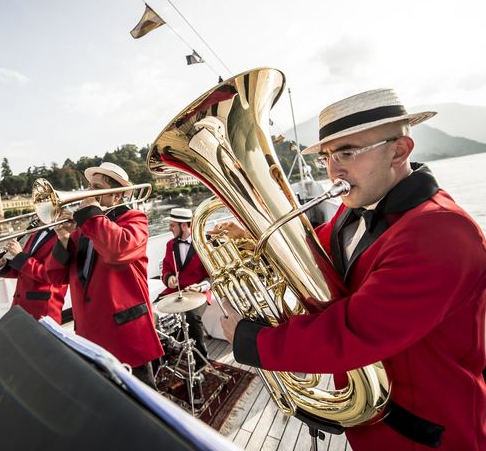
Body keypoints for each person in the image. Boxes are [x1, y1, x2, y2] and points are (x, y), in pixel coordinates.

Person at [216, 89, 486, 450]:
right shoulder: (351, 209)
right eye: (327, 156)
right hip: (372, 421)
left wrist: (252, 339)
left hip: (427, 432)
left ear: (400, 150)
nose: (332, 169)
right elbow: (315, 253)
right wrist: (259, 239)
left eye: (347, 152)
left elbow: (354, 330)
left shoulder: (441, 231)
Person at [45, 162, 164, 387]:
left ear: (116, 196)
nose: (90, 192)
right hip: (89, 334)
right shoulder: (86, 227)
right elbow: (55, 277)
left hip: (125, 334)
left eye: (97, 187)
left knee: (142, 406)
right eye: (89, 186)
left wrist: (89, 215)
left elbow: (117, 250)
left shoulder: (134, 219)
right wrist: (62, 238)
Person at [158, 207, 211, 368]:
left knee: (191, 317)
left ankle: (201, 360)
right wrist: (169, 279)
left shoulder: (203, 244)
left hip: (198, 293)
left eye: (172, 225)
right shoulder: (170, 245)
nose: (169, 229)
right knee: (150, 311)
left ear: (184, 226)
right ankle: (165, 354)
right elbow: (166, 269)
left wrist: (201, 287)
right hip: (176, 291)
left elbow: (212, 275)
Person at [0, 227, 67, 323]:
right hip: (20, 305)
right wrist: (3, 264)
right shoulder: (35, 234)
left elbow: (49, 275)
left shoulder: (63, 238)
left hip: (42, 308)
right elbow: (23, 269)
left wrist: (19, 255)